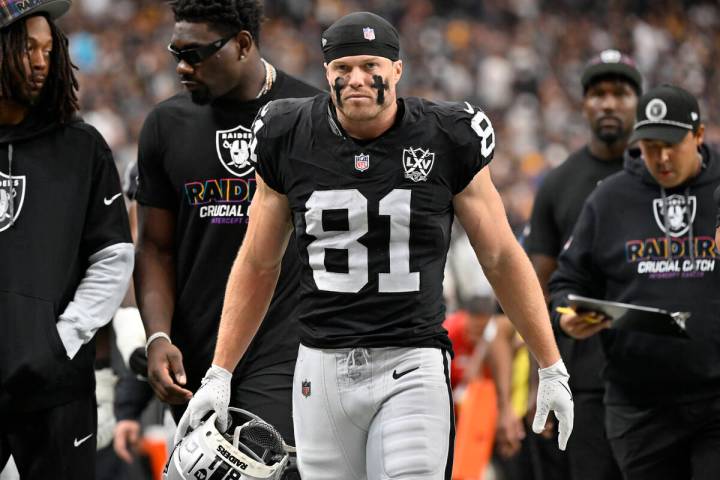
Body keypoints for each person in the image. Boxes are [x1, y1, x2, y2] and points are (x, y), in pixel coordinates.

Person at [177, 11, 573, 480]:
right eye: (342, 68)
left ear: (397, 70)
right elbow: (259, 262)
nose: (357, 78)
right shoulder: (287, 133)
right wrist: (220, 372)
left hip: (410, 359)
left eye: (370, 65)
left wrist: (551, 364)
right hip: (321, 366)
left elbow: (502, 256)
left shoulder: (446, 135)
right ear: (327, 74)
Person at [133, 0, 320, 456]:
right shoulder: (164, 126)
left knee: (248, 466)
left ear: (242, 44)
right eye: (176, 52)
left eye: (196, 54)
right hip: (193, 351)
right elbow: (155, 248)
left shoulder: (310, 115)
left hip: (282, 345)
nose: (182, 66)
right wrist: (158, 336)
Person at [550, 84, 720, 480]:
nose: (660, 157)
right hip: (639, 404)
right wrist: (566, 318)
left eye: (672, 144)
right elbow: (565, 281)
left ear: (698, 135)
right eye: (649, 145)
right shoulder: (609, 198)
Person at [0, 1, 134, 478]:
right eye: (25, 48)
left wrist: (60, 342)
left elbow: (113, 256)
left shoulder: (82, 147)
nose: (41, 62)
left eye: (47, 48)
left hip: (55, 388)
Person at [525, 49, 641, 480]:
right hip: (585, 374)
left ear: (640, 102)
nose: (608, 103)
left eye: (620, 93)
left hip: (658, 370)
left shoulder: (667, 176)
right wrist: (544, 375)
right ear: (584, 104)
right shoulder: (557, 183)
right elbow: (537, 286)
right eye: (597, 93)